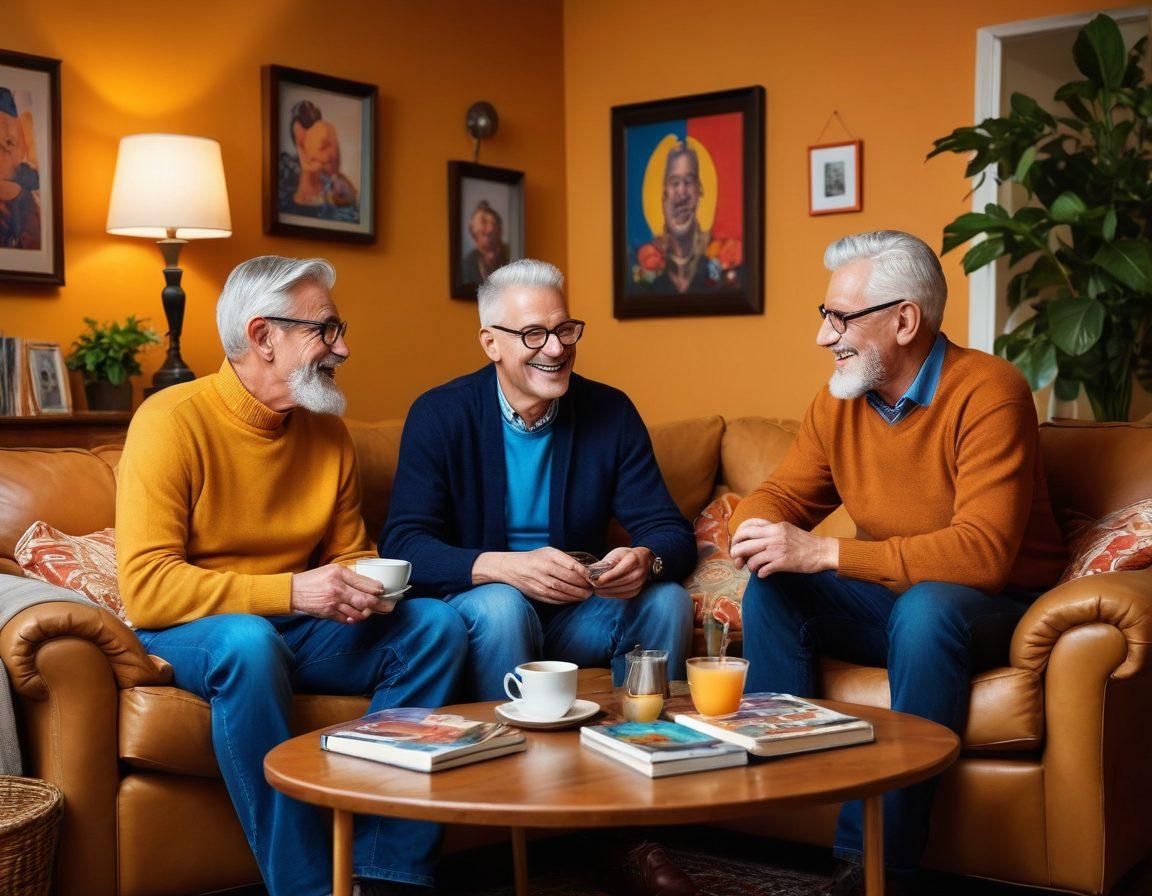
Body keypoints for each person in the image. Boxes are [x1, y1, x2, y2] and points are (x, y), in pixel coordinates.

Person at [727, 231, 1068, 896]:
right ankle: (780, 801)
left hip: (994, 604)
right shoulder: (839, 401)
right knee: (775, 587)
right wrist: (756, 530)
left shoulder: (990, 391)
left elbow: (981, 555)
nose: (823, 337)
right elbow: (780, 495)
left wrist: (824, 550)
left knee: (926, 609)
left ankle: (874, 867)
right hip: (897, 597)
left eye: (840, 318)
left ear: (905, 320)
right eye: (824, 316)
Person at [116, 255, 468, 896]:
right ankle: (306, 888)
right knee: (248, 641)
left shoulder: (328, 434)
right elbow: (147, 588)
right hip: (193, 632)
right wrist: (294, 590)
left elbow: (350, 553)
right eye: (325, 330)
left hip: (296, 626)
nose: (344, 348)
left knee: (436, 627)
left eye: (340, 330)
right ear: (262, 336)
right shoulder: (170, 422)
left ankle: (382, 868)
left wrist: (364, 586)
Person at [381, 258, 695, 700]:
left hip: (577, 613)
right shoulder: (439, 414)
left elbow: (670, 531)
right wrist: (504, 568)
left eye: (564, 329)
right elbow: (404, 543)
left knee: (668, 601)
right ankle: (502, 742)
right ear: (491, 343)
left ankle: (642, 735)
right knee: (503, 604)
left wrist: (647, 559)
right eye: (534, 334)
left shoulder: (611, 412)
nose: (556, 348)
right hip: (485, 612)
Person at [632, 141, 740, 294]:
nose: (682, 192)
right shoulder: (643, 264)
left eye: (689, 181)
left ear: (699, 192)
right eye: (674, 183)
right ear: (663, 196)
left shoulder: (722, 257)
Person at [461, 200, 510, 285]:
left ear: (500, 230)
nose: (490, 229)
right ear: (473, 230)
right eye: (484, 222)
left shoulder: (510, 259)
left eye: (494, 223)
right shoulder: (467, 264)